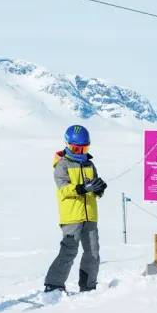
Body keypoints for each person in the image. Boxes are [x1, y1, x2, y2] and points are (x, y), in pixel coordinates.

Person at [44, 125, 106, 294]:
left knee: (93, 252)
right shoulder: (62, 165)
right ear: (67, 145)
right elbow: (64, 188)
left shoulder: (89, 164)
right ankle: (54, 285)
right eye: (76, 148)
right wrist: (82, 188)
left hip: (90, 215)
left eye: (83, 148)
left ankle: (88, 286)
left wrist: (98, 189)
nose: (79, 152)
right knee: (69, 251)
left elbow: (92, 189)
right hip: (71, 216)